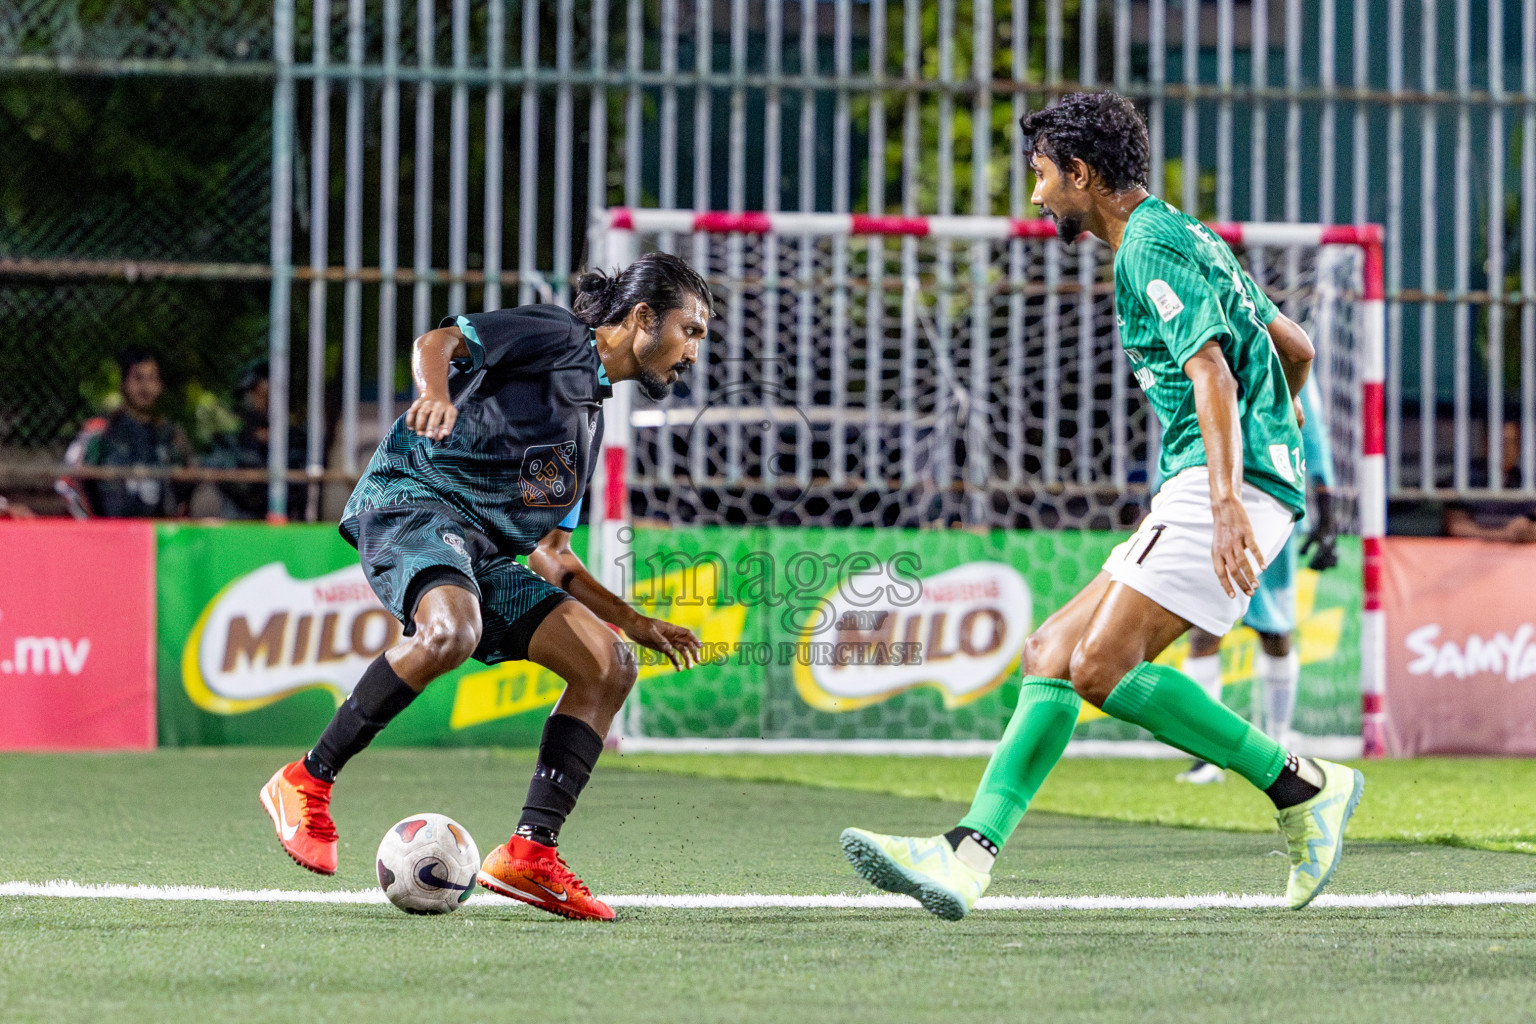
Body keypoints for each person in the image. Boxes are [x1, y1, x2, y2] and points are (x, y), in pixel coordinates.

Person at [840, 91, 1363, 919]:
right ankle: (968, 854)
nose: (1038, 194)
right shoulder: (1189, 232)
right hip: (1227, 481)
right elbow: (1292, 347)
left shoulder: (1145, 251)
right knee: (1050, 651)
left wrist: (1229, 498)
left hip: (1218, 486)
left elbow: (1215, 374)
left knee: (1102, 668)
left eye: (1043, 175)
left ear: (1081, 173)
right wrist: (1280, 425)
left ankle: (1303, 785)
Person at [259, 253, 712, 921]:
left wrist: (636, 623)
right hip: (413, 501)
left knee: (609, 664)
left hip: (484, 554)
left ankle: (530, 854)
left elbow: (554, 559)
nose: (694, 352)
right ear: (642, 317)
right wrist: (435, 392)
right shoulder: (559, 337)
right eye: (691, 329)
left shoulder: (588, 428)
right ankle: (306, 779)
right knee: (451, 628)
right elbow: (438, 341)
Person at [1176, 373, 1338, 784]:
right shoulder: (1208, 359)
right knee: (1204, 629)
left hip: (1272, 505)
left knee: (1276, 630)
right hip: (1215, 508)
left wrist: (1328, 516)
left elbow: (1313, 438)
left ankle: (1280, 743)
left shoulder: (1287, 363)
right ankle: (1207, 754)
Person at [57, 347, 191, 518]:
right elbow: (67, 483)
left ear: (160, 385)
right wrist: (92, 527)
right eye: (138, 378)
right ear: (123, 383)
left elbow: (186, 490)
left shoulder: (170, 437)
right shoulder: (101, 431)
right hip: (109, 534)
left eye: (152, 379)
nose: (145, 387)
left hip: (157, 536)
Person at [203, 359, 305, 519]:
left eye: (266, 396)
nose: (258, 402)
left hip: (284, 521)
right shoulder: (230, 441)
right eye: (254, 394)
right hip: (238, 518)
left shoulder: (296, 442)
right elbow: (216, 470)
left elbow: (298, 485)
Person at [1442, 417, 1536, 543]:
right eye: (1500, 443)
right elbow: (1456, 527)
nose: (1505, 450)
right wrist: (1503, 535)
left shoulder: (1525, 481)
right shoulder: (1467, 477)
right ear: (1485, 444)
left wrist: (1528, 531)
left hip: (1515, 559)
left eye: (1511, 443)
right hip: (1468, 557)